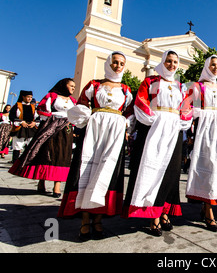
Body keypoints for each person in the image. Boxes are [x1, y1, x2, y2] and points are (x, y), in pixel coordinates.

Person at [58, 51, 133, 241]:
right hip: (95, 128)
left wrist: (125, 124)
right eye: (115, 62)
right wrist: (85, 117)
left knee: (107, 171)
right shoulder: (94, 84)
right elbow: (82, 104)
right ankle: (84, 219)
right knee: (86, 170)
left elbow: (131, 112)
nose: (118, 66)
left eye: (121, 63)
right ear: (108, 63)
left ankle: (98, 219)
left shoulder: (126, 89)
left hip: (115, 132)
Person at [122, 50, 191, 237]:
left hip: (174, 130)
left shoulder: (181, 86)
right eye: (168, 61)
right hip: (153, 128)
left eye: (175, 62)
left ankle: (163, 211)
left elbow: (187, 107)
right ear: (163, 61)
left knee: (171, 171)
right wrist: (156, 119)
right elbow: (141, 102)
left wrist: (182, 119)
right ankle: (153, 216)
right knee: (151, 169)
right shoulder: (150, 81)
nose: (172, 65)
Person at [182, 55, 217, 232]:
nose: (216, 68)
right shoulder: (197, 86)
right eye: (213, 65)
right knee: (208, 165)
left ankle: (206, 206)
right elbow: (186, 108)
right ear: (206, 66)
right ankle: (209, 211)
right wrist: (202, 114)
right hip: (205, 129)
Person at [8, 79, 77, 197]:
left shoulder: (73, 101)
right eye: (71, 86)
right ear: (64, 85)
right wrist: (52, 119)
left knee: (63, 156)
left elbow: (76, 113)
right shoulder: (52, 96)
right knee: (47, 153)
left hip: (66, 129)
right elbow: (41, 109)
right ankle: (41, 182)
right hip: (51, 127)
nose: (73, 88)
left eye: (74, 87)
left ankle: (57, 186)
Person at [9, 91, 39, 163]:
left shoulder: (33, 107)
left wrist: (34, 123)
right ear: (23, 97)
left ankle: (28, 162)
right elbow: (11, 116)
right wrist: (21, 122)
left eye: (31, 97)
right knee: (18, 144)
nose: (29, 99)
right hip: (20, 127)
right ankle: (15, 162)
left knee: (31, 144)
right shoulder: (17, 105)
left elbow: (37, 117)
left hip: (31, 127)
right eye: (28, 97)